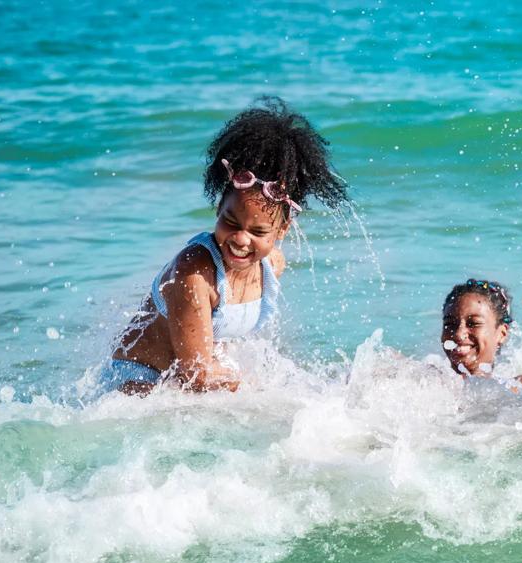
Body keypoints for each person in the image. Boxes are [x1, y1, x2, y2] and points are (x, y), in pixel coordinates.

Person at [99, 97, 348, 395]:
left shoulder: (272, 266)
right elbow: (197, 376)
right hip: (138, 384)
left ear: (282, 229)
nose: (241, 239)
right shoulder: (194, 273)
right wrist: (265, 389)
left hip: (179, 384)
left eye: (258, 231)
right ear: (218, 208)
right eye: (231, 222)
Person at [440, 279, 522, 387]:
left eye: (473, 323)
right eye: (449, 324)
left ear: (502, 334)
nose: (458, 334)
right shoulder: (427, 382)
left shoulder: (521, 388)